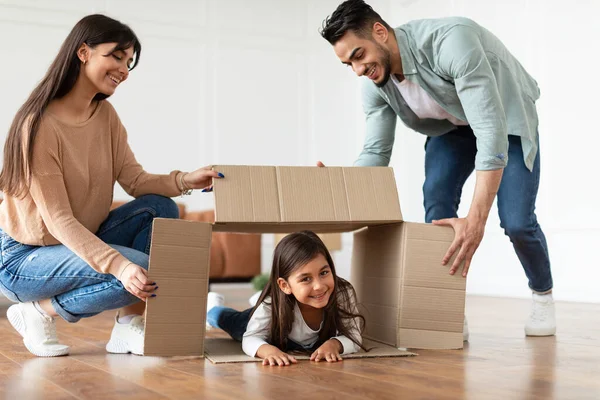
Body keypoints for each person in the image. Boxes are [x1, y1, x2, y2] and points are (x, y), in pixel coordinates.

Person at [319, 0, 555, 337]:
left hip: (505, 117)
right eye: (348, 64)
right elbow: (376, 151)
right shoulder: (376, 84)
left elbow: (490, 135)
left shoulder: (451, 41)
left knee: (517, 222)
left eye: (359, 55)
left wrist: (476, 222)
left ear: (380, 32)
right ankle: (448, 307)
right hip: (453, 128)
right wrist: (340, 184)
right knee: (437, 202)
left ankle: (543, 296)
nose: (358, 69)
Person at [0, 14, 223, 357]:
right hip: (23, 258)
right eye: (116, 56)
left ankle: (125, 327)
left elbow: (135, 181)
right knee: (145, 272)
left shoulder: (106, 117)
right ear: (84, 52)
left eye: (129, 61)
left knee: (161, 207)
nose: (124, 69)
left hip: (73, 243)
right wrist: (120, 265)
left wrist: (184, 181)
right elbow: (59, 221)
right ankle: (38, 311)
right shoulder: (39, 125)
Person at [206, 231, 365, 366]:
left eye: (324, 273)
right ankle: (213, 305)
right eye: (305, 279)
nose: (319, 286)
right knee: (225, 319)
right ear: (284, 285)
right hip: (265, 325)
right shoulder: (271, 305)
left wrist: (335, 344)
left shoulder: (342, 293)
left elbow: (354, 336)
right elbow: (250, 338)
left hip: (278, 320)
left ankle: (256, 301)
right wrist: (268, 350)